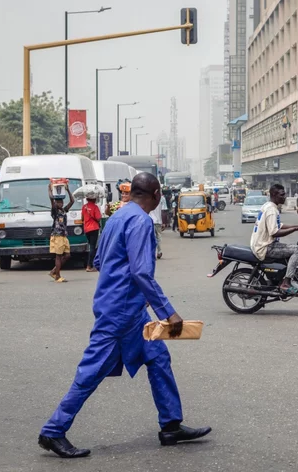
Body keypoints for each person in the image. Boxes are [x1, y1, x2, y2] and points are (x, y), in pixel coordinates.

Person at [38, 173, 211, 459]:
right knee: (92, 370)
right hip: (121, 312)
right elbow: (141, 272)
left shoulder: (118, 217)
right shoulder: (141, 221)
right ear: (156, 195)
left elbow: (98, 260)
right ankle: (53, 430)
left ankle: (171, 424)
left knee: (158, 358)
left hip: (127, 309)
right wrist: (169, 312)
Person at [250, 184, 298, 294]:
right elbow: (275, 232)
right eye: (282, 194)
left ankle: (280, 277)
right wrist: (295, 228)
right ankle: (286, 283)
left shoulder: (268, 206)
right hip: (265, 247)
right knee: (297, 250)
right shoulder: (272, 210)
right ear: (274, 195)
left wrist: (297, 226)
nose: (284, 197)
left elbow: (278, 225)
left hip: (262, 244)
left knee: (294, 248)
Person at [48, 182, 75, 283]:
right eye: (58, 203)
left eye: (61, 203)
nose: (60, 204)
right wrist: (50, 189)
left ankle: (54, 271)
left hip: (64, 236)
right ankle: (57, 276)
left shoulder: (64, 210)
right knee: (58, 256)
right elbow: (51, 198)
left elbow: (72, 201)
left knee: (67, 255)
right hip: (57, 236)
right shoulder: (54, 211)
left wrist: (67, 190)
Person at [82, 196, 102, 273]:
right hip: (94, 228)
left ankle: (90, 265)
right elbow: (98, 218)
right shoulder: (95, 207)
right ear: (94, 199)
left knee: (91, 246)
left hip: (86, 229)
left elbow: (82, 218)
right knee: (93, 247)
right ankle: (90, 266)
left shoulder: (84, 207)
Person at [149, 192, 165, 260]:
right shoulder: (161, 198)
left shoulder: (147, 198)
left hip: (150, 221)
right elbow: (163, 211)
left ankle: (153, 253)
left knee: (152, 238)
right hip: (158, 221)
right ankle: (159, 251)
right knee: (158, 237)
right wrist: (163, 222)